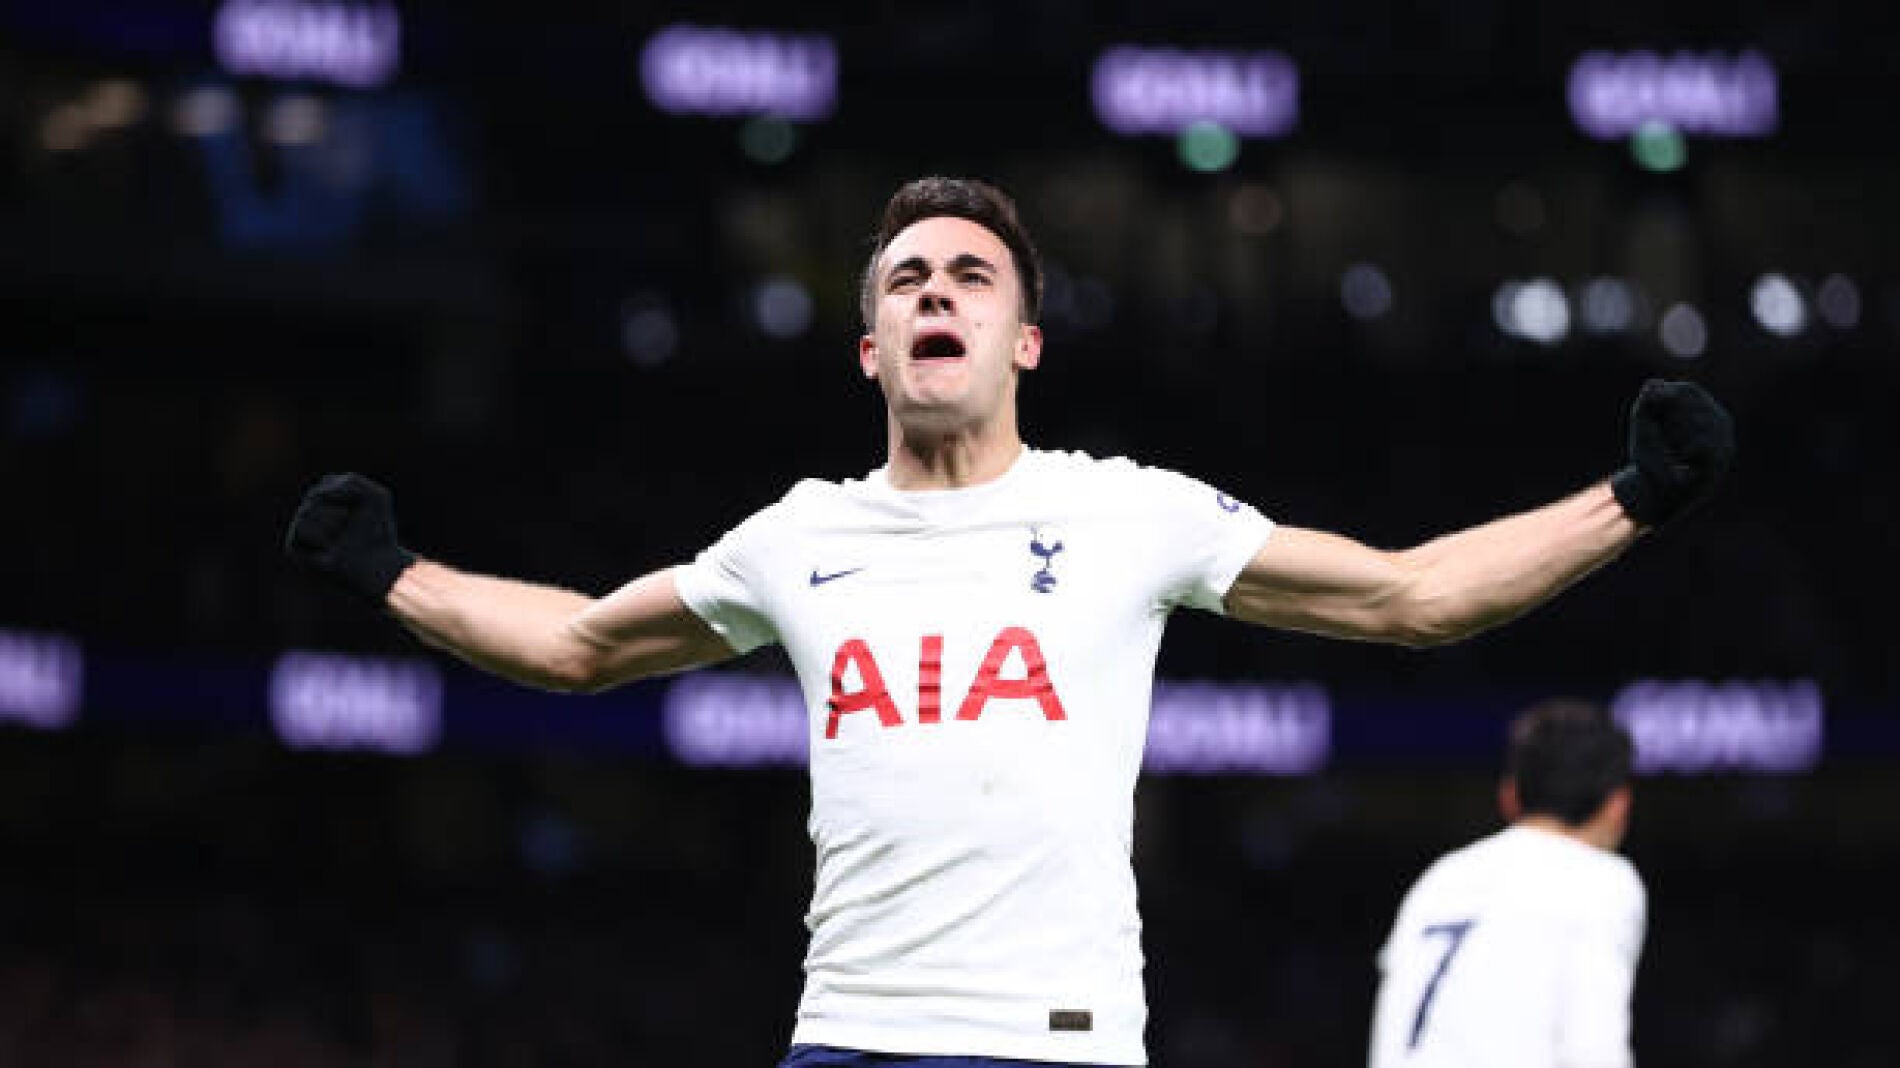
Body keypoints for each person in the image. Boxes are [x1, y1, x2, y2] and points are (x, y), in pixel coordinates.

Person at [285, 177, 1731, 1067]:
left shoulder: (1130, 512)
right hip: (845, 1039)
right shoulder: (798, 537)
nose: (938, 291)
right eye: (908, 280)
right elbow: (581, 646)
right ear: (871, 349)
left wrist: (1629, 502)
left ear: (1022, 341)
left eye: (971, 276)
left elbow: (1414, 597)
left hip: (1056, 1048)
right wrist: (396, 574)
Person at [1366, 699, 1644, 1068]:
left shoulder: (1440, 879)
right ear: (1618, 805)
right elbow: (1592, 1051)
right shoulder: (1601, 880)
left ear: (1510, 796)